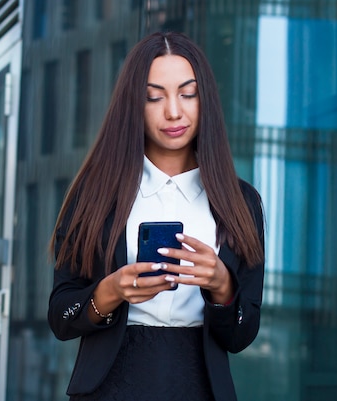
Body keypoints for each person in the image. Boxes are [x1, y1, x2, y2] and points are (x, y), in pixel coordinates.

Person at [47, 31, 265, 401]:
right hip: (110, 387)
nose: (173, 111)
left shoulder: (240, 202)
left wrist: (222, 286)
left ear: (204, 99)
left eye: (187, 93)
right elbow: (61, 318)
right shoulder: (95, 195)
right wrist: (111, 291)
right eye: (154, 96)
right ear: (135, 103)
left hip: (201, 387)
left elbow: (243, 335)